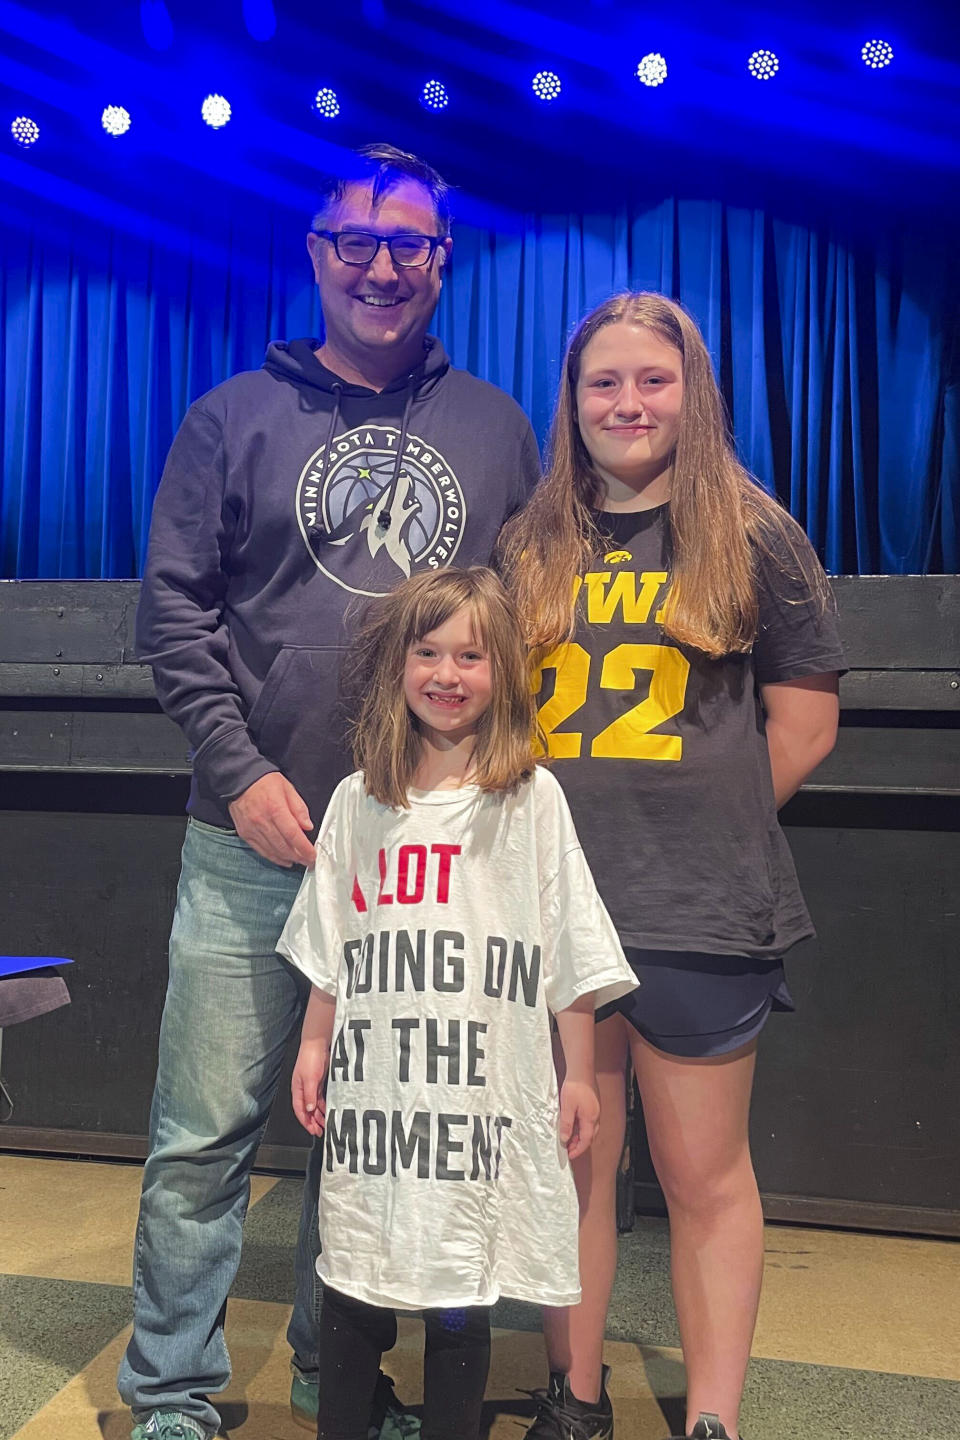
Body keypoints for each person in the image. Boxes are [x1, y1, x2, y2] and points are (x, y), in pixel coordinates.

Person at [119, 144, 542, 1440]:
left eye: (408, 241)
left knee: (359, 1139)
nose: (380, 264)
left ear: (442, 261)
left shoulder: (494, 426)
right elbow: (171, 614)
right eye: (353, 239)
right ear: (314, 255)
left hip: (415, 862)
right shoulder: (230, 415)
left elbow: (517, 633)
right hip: (253, 844)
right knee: (204, 1142)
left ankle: (334, 1377)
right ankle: (174, 1396)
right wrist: (239, 775)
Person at [498, 292, 844, 1440]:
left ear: (693, 390)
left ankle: (714, 1419)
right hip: (555, 922)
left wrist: (701, 824)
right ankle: (574, 1399)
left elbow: (802, 726)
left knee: (704, 1178)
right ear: (574, 399)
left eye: (653, 379)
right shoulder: (531, 538)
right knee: (578, 1176)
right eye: (605, 382)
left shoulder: (753, 533)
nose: (629, 403)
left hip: (699, 911)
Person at [276, 566, 638, 1440]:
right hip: (379, 1100)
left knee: (460, 1284)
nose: (447, 674)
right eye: (428, 652)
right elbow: (331, 943)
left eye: (470, 655)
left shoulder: (530, 800)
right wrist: (315, 1046)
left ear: (503, 670)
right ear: (397, 667)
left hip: (474, 1104)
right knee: (357, 1265)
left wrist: (579, 1073)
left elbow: (568, 946)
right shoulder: (360, 800)